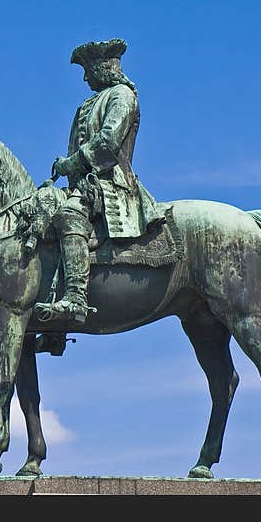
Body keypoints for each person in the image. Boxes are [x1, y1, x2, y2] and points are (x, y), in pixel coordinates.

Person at [34, 38, 165, 326]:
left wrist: (71, 163)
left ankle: (76, 298)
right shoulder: (88, 104)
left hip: (110, 185)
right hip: (84, 185)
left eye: (88, 69)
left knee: (69, 217)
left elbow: (107, 142)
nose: (84, 76)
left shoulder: (122, 96)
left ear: (104, 67)